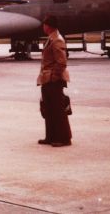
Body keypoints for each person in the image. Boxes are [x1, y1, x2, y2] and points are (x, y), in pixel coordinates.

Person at [37, 15, 72, 147]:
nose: (43, 26)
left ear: (49, 26)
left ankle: (64, 138)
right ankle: (51, 136)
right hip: (47, 79)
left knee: (58, 110)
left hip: (53, 80)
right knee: (49, 109)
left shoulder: (57, 40)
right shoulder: (51, 38)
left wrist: (54, 77)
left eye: (44, 24)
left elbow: (61, 62)